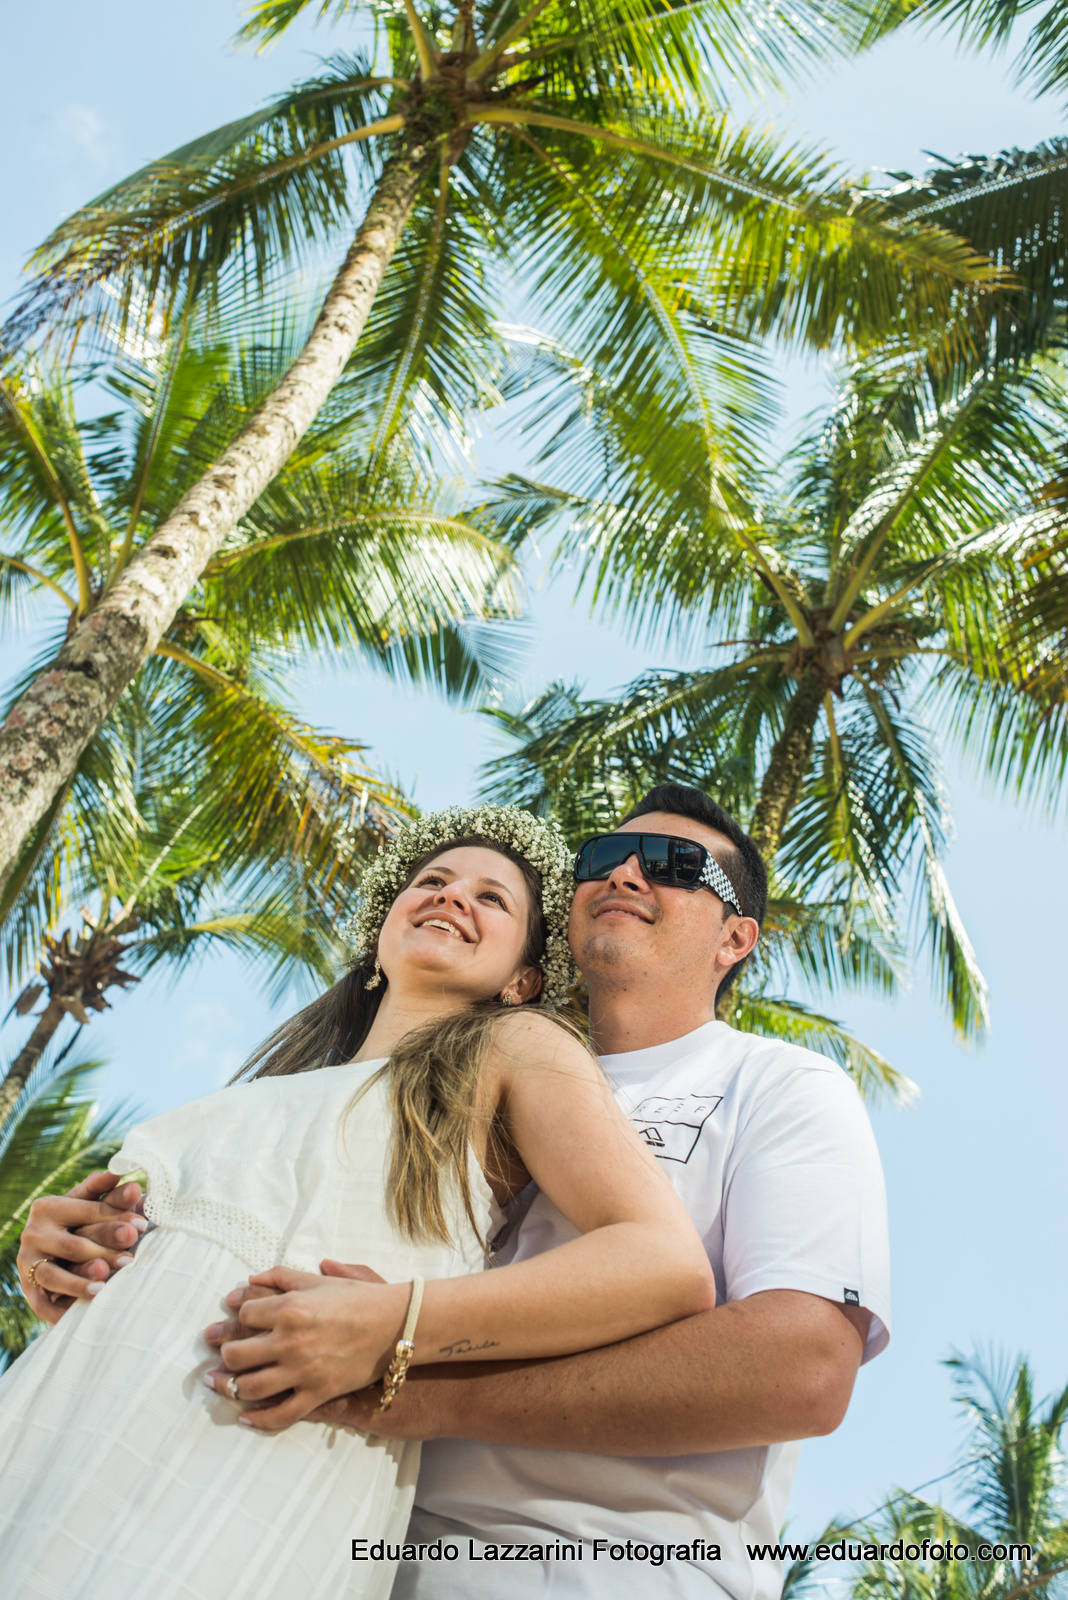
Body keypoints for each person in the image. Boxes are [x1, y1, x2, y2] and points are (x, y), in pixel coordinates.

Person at [21, 784, 891, 1600]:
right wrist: (101, 1262)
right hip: (354, 1537)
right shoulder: (451, 1078)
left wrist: (410, 1381)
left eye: (673, 864)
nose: (626, 873)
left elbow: (805, 1367)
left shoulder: (774, 1085)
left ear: (736, 939)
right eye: (602, 857)